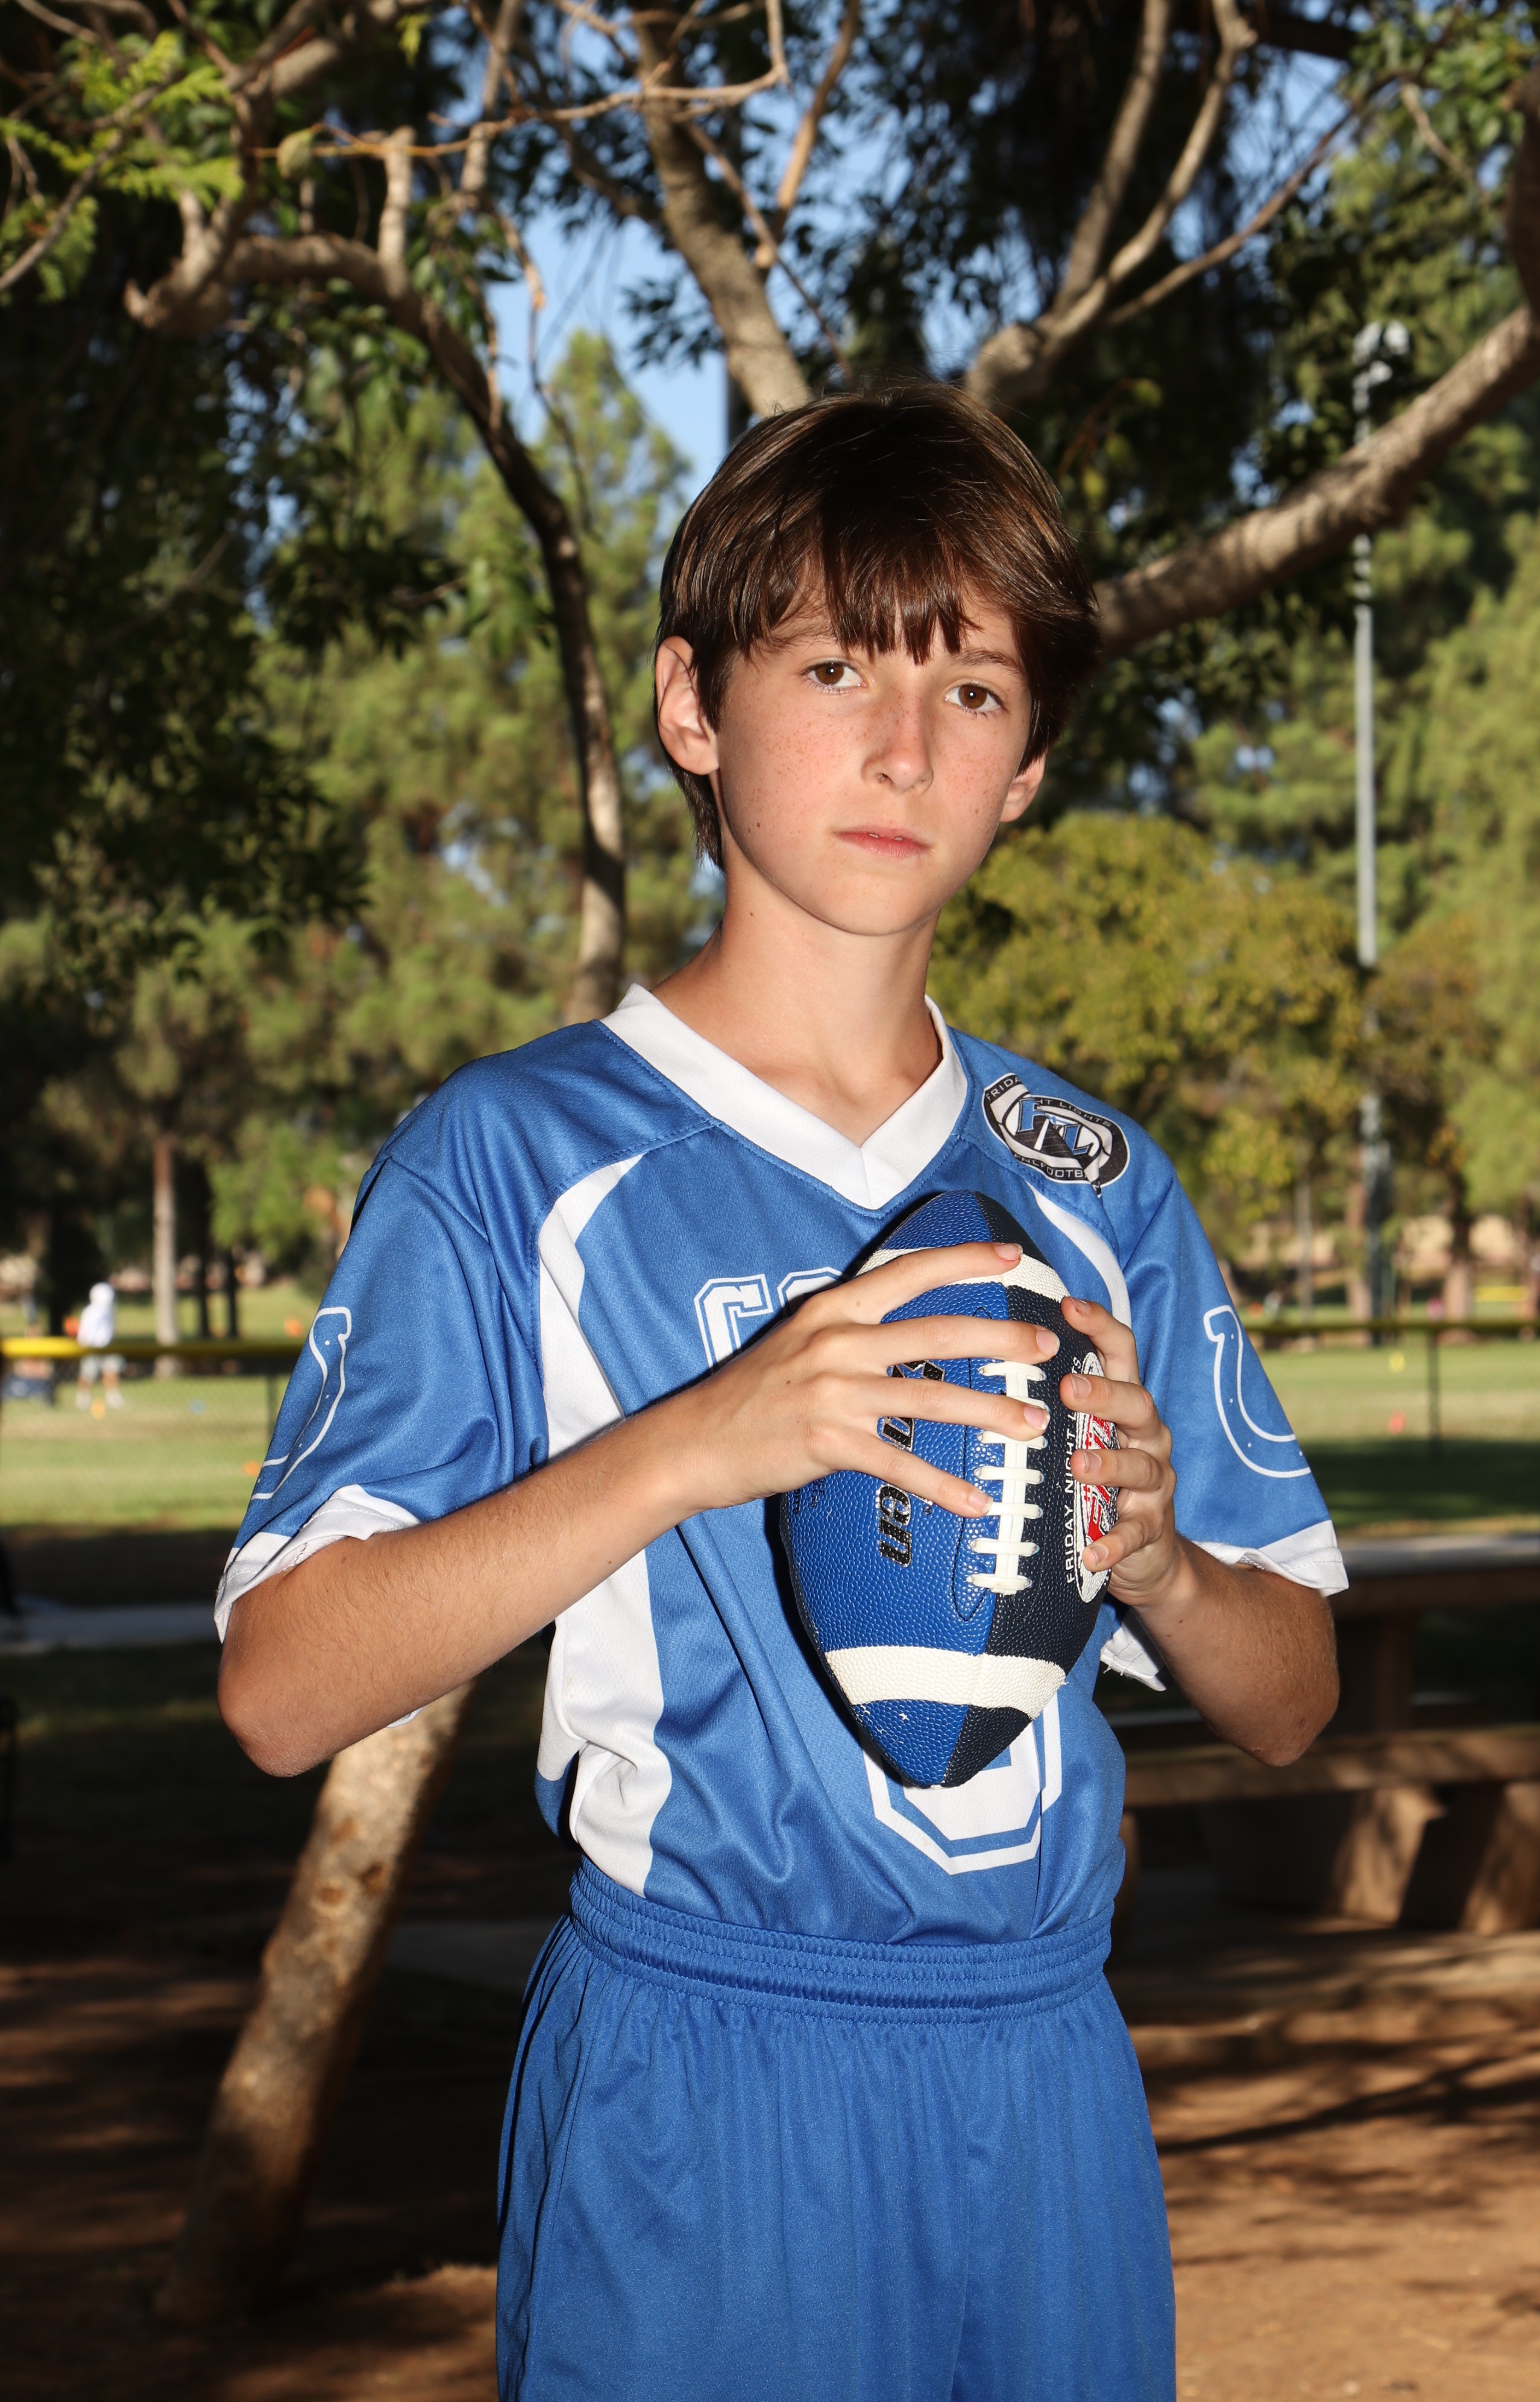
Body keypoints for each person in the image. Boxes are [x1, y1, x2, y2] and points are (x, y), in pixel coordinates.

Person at [215, 388, 1341, 2402]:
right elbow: (283, 1689)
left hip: (1045, 2073)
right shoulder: (517, 1158)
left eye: (972, 692)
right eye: (833, 669)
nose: (905, 748)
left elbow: (1292, 1702)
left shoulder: (1094, 1186)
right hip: (704, 2067)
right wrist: (702, 1439)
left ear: (1028, 767)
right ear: (692, 704)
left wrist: (1163, 1561)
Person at [75, 1280, 124, 1410]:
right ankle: (83, 1397)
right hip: (92, 1347)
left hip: (108, 1346)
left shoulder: (110, 1311)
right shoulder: (90, 1312)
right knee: (88, 1374)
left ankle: (113, 1397)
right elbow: (84, 1331)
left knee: (112, 1371)